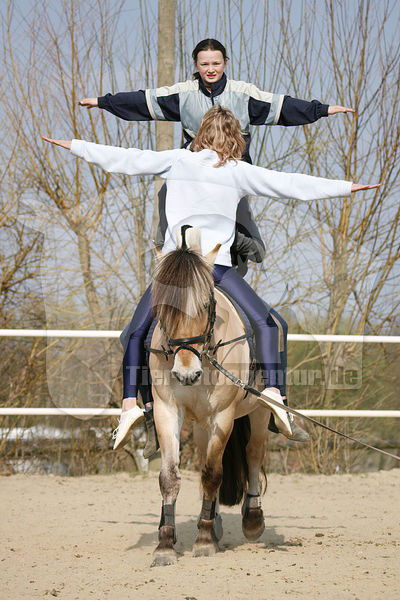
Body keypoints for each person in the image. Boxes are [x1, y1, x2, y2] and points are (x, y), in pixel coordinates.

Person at [43, 106, 379, 456]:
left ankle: (133, 406)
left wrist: (74, 145)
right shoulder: (238, 171)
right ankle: (276, 396)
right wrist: (347, 188)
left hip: (174, 270)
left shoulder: (178, 160)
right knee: (270, 324)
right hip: (214, 268)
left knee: (134, 333)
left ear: (199, 135)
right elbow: (290, 184)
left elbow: (124, 158)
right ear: (237, 139)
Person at [78, 38, 355, 445]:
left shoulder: (243, 100)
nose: (210, 68)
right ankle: (146, 403)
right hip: (189, 218)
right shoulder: (183, 104)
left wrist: (323, 110)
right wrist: (103, 102)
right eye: (204, 63)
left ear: (225, 63)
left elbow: (284, 110)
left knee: (240, 231)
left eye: (215, 62)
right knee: (172, 235)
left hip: (227, 204)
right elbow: (142, 104)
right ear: (197, 65)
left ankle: (268, 392)